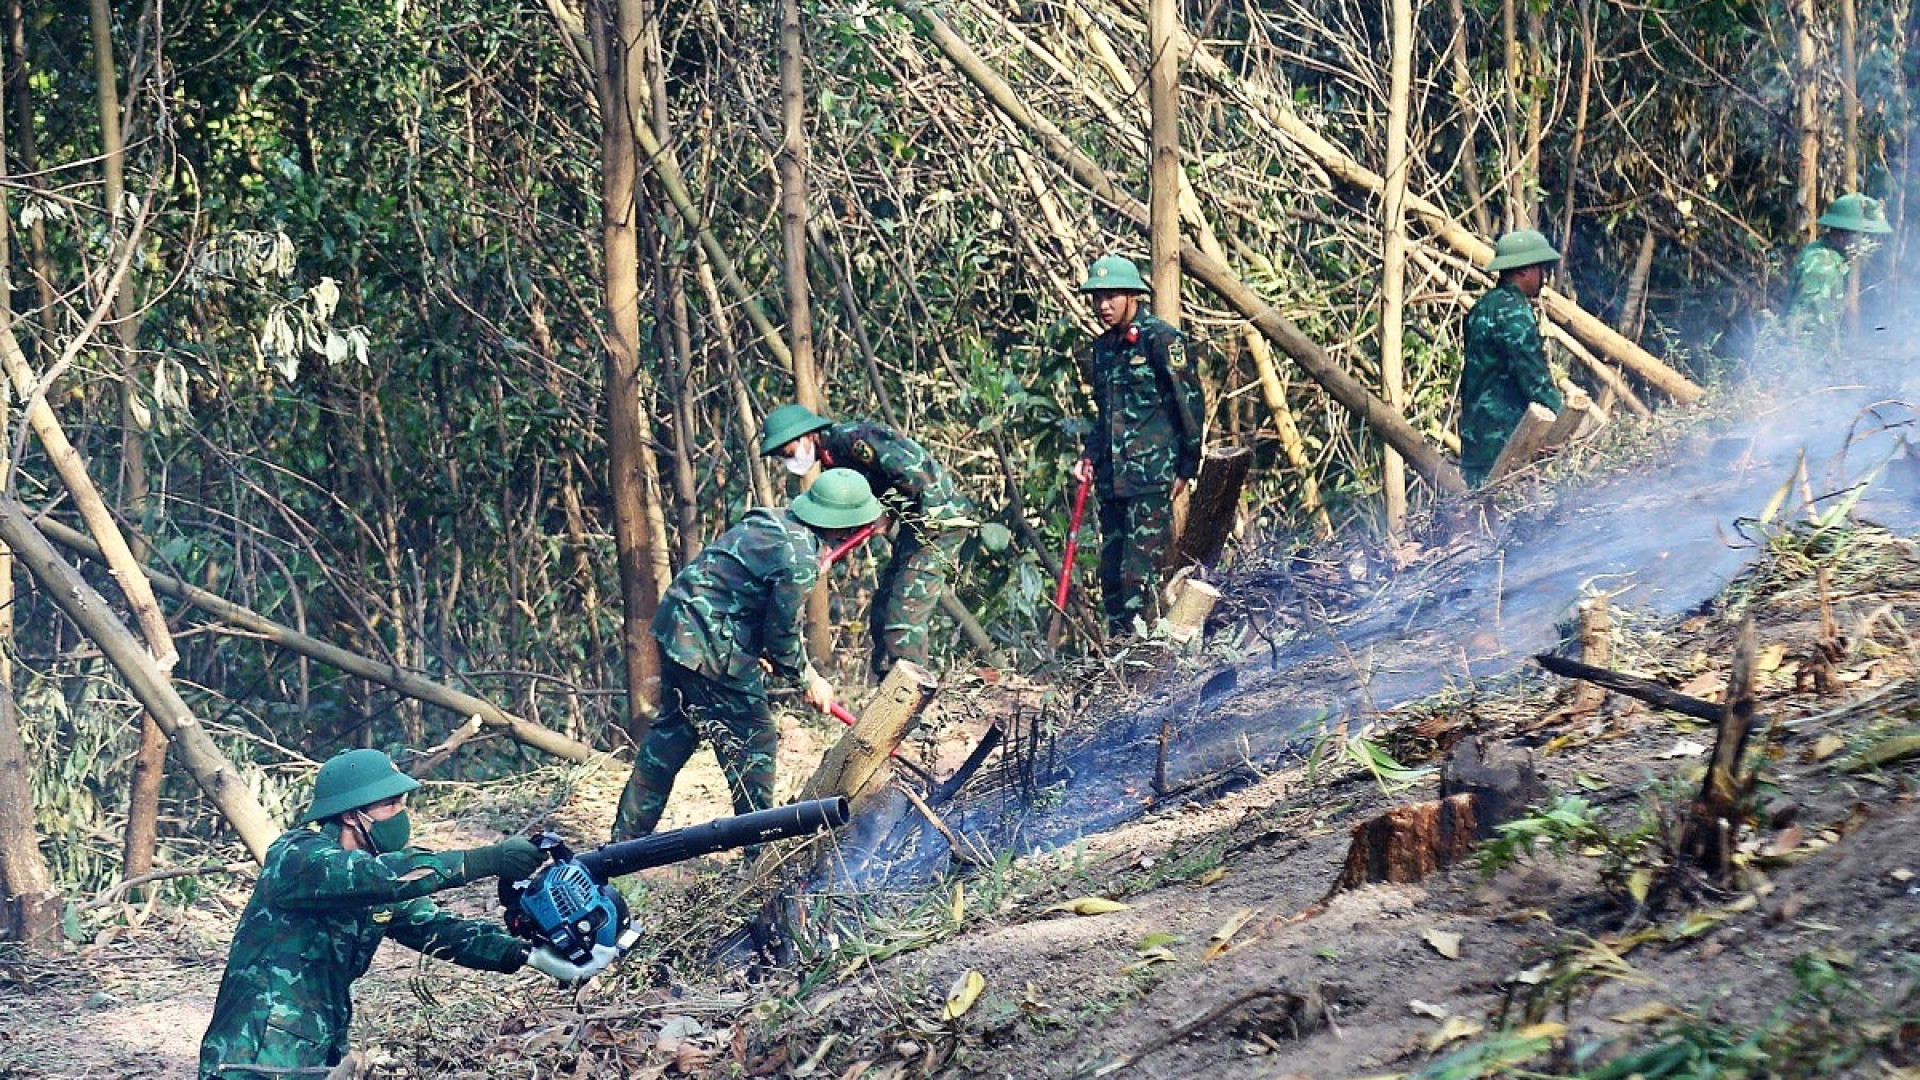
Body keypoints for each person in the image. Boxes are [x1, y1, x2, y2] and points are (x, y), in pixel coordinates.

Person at [199, 749, 611, 1079]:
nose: (402, 813)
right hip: (253, 1052)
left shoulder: (378, 881)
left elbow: (437, 929)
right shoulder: (296, 857)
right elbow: (380, 877)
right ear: (350, 813)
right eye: (390, 804)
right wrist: (486, 859)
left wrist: (529, 955)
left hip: (318, 1046)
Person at [612, 468, 884, 839]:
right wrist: (806, 677)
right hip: (707, 642)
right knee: (753, 741)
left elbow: (739, 591)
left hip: (677, 625)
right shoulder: (800, 559)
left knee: (673, 735)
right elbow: (782, 632)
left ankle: (620, 845)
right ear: (847, 524)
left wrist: (753, 646)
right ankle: (760, 851)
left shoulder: (772, 520)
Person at [759, 403, 977, 679]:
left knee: (902, 620)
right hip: (915, 523)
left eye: (787, 451)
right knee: (883, 610)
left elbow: (914, 471)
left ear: (806, 435)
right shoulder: (832, 459)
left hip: (937, 518)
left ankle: (915, 704)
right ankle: (888, 690)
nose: (787, 459)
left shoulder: (852, 440)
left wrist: (888, 510)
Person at [1071, 254, 1205, 636]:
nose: (1103, 306)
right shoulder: (1103, 349)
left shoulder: (1162, 340)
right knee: (1111, 576)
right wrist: (1089, 456)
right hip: (1113, 478)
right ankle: (1118, 655)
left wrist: (1186, 467)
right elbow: (1105, 414)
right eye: (1097, 298)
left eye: (1111, 296)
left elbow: (1189, 404)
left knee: (1139, 574)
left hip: (1150, 477)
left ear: (1133, 296)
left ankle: (1145, 653)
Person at [1457, 229, 1565, 486]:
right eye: (1541, 269)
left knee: (1481, 514)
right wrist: (1564, 421)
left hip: (1476, 439)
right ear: (1523, 271)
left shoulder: (1483, 307)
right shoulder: (1515, 314)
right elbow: (1535, 380)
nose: (1545, 277)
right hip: (1506, 441)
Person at [1785, 192, 1893, 331]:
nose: (1872, 243)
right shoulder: (1822, 266)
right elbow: (1807, 331)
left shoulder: (1840, 257)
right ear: (1844, 235)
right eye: (1867, 236)